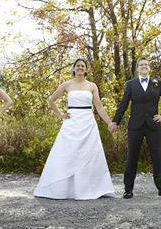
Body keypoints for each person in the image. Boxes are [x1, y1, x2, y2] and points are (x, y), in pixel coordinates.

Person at [34, 59, 117, 200]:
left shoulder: (92, 86)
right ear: (73, 68)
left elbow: (99, 106)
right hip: (71, 121)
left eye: (83, 66)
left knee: (89, 153)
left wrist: (109, 122)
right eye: (78, 66)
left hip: (88, 121)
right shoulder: (66, 85)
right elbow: (51, 100)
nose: (80, 68)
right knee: (67, 153)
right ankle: (63, 189)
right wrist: (60, 114)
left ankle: (89, 189)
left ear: (85, 70)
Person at [111, 57, 161, 198]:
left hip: (153, 125)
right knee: (132, 156)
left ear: (149, 68)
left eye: (146, 65)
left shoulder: (158, 83)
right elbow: (123, 104)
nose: (144, 66)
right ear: (137, 68)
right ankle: (128, 189)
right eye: (141, 65)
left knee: (157, 157)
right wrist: (115, 121)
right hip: (135, 125)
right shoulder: (131, 84)